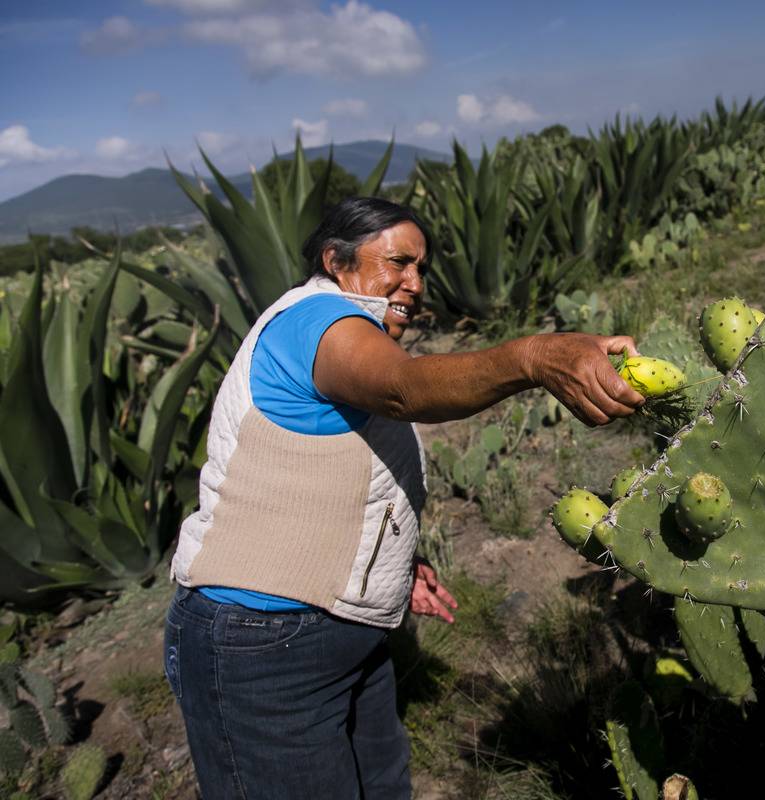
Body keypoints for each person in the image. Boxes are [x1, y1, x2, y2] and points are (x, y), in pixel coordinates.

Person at [163, 196, 643, 799]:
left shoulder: (349, 330)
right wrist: (535, 357)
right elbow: (403, 390)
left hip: (336, 634)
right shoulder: (316, 323)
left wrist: (394, 560)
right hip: (259, 644)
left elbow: (344, 471)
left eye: (422, 268)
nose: (414, 283)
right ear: (336, 261)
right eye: (397, 262)